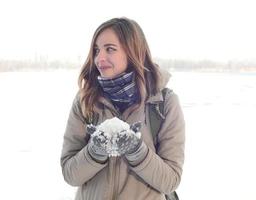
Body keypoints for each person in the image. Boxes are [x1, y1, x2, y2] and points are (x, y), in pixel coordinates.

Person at [60, 17, 185, 200]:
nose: (99, 58)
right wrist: (95, 150)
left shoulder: (164, 103)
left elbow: (170, 181)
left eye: (110, 49)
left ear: (133, 51)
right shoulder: (85, 101)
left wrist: (136, 150)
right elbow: (70, 174)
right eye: (96, 50)